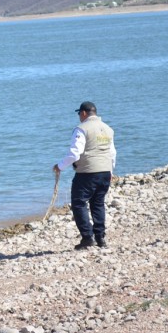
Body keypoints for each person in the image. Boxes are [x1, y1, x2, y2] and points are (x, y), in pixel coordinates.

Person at [53, 101, 116, 249]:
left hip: (87, 172)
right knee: (98, 203)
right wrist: (111, 171)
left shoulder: (81, 129)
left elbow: (75, 153)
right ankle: (100, 238)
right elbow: (112, 153)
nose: (79, 117)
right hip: (105, 171)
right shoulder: (108, 129)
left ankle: (87, 237)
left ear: (83, 113)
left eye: (79, 114)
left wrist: (60, 166)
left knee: (79, 203)